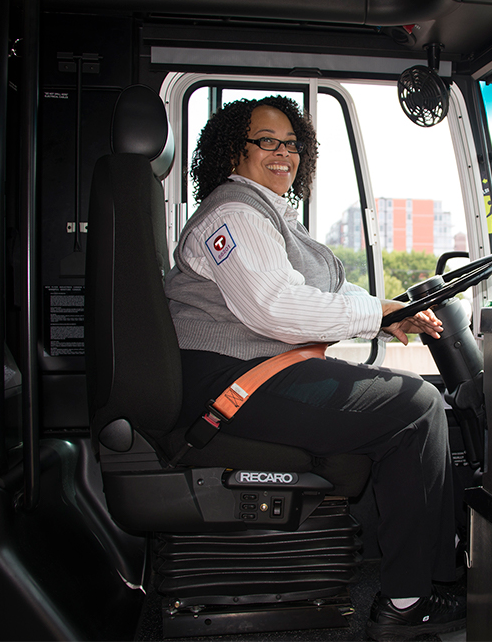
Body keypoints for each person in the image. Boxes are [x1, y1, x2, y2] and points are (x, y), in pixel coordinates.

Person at [163, 95, 466, 639]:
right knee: (417, 405)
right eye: (267, 141)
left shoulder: (268, 214)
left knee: (412, 401)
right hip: (228, 380)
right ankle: (408, 601)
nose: (284, 154)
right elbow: (276, 307)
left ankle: (426, 579)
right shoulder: (234, 212)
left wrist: (386, 315)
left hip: (251, 371)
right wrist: (375, 311)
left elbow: (311, 292)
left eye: (292, 144)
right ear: (234, 150)